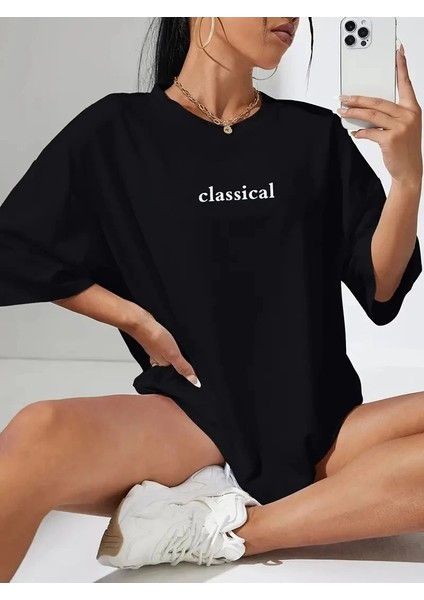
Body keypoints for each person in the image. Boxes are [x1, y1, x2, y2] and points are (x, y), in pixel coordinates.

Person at [0, 17, 423, 579]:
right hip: (190, 421)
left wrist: (408, 179)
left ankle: (217, 531)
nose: (288, 16)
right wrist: (135, 319)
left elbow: (382, 287)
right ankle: (263, 508)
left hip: (321, 430)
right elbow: (14, 250)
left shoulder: (312, 135)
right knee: (36, 433)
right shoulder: (117, 130)